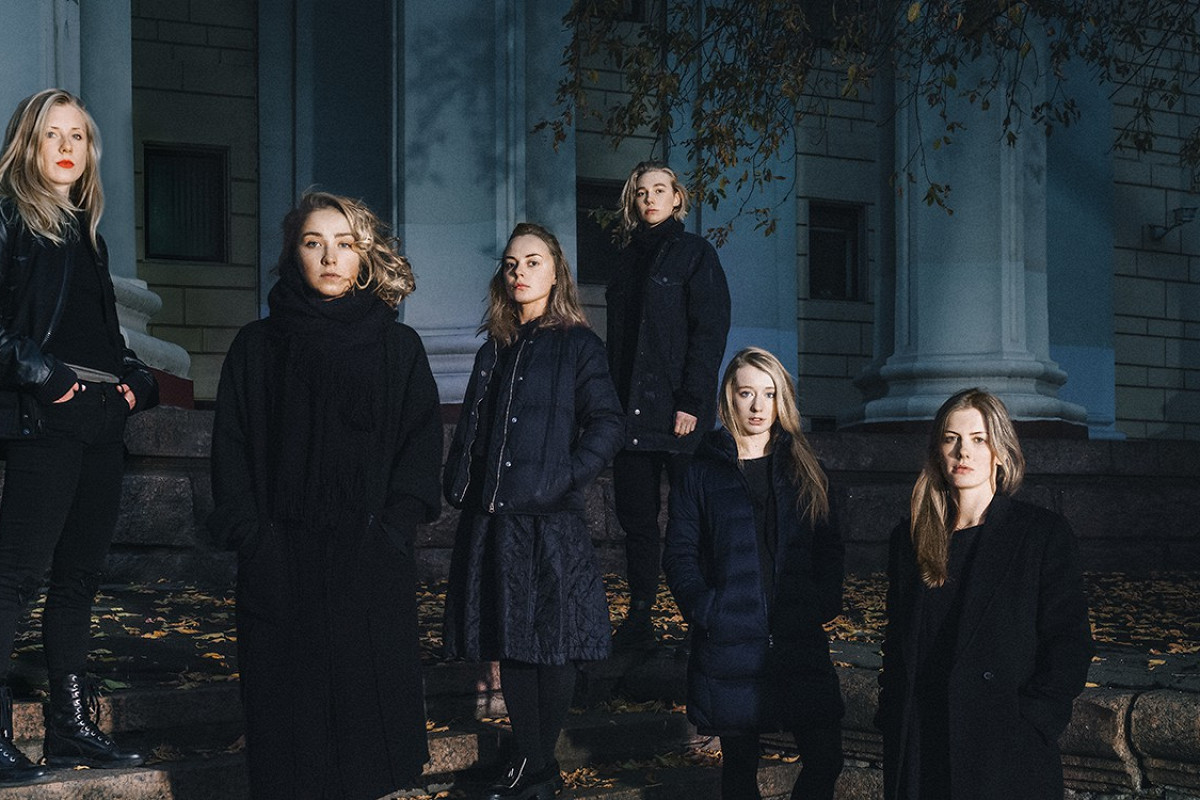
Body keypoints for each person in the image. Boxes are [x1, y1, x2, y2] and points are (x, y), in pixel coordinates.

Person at [209, 191, 442, 800]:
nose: (330, 257)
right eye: (314, 243)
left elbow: (420, 448)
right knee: (290, 734)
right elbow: (231, 448)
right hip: (281, 561)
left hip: (367, 560)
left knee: (367, 733)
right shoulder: (257, 346)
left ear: (364, 258)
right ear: (295, 253)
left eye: (344, 244)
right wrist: (254, 538)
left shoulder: (398, 347)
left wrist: (391, 531)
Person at [0, 88, 158, 784]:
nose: (67, 147)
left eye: (79, 136)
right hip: (44, 414)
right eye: (52, 135)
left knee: (79, 578)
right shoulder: (10, 220)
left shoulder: (88, 235)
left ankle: (70, 730)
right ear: (27, 145)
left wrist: (135, 383)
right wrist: (47, 377)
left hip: (100, 417)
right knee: (16, 576)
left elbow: (105, 339)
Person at [443, 222, 624, 800]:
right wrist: (460, 483)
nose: (519, 272)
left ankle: (535, 766)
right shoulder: (493, 347)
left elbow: (608, 423)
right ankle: (535, 769)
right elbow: (475, 428)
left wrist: (564, 476)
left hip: (550, 519)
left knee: (554, 641)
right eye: (511, 263)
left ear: (555, 273)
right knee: (513, 639)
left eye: (533, 261)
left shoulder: (578, 345)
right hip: (495, 517)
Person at [875, 388, 1094, 800]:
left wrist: (1033, 720)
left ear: (1000, 451)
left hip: (1002, 747)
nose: (964, 452)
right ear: (938, 450)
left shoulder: (1039, 534)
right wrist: (891, 716)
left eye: (978, 439)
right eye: (951, 438)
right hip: (922, 741)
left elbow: (1069, 641)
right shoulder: (911, 538)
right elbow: (897, 641)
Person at [664, 347, 844, 800]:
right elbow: (680, 554)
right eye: (747, 393)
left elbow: (829, 548)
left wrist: (821, 603)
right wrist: (708, 610)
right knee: (740, 772)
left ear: (783, 399)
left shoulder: (806, 468)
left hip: (797, 637)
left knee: (826, 758)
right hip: (730, 642)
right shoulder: (701, 471)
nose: (759, 406)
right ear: (730, 397)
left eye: (769, 393)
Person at [606, 160, 730, 649]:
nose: (650, 199)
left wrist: (692, 402)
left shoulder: (695, 254)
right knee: (636, 523)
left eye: (660, 190)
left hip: (678, 415)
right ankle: (639, 616)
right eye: (642, 192)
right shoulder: (624, 260)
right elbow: (618, 345)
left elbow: (709, 332)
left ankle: (700, 617)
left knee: (689, 521)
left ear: (677, 198)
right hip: (629, 417)